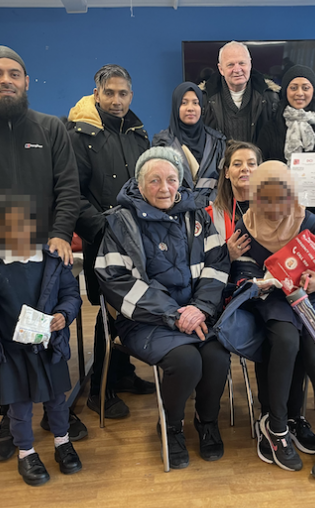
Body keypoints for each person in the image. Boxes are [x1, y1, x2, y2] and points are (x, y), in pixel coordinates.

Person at [0, 45, 86, 463]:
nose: (4, 79)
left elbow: (68, 187)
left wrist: (62, 233)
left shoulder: (51, 129)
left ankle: (55, 414)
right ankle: (10, 416)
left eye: (13, 73)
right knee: (3, 336)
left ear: (26, 81)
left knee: (46, 333)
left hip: (44, 256)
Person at [95, 147, 232, 470]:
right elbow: (116, 282)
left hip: (196, 314)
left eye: (172, 179)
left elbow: (217, 265)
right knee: (186, 361)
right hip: (144, 320)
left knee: (216, 355)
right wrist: (172, 314)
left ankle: (206, 420)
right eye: (154, 181)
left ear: (181, 181)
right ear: (139, 185)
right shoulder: (120, 222)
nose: (165, 188)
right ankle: (171, 426)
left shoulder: (197, 215)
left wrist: (200, 307)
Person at [231, 161, 315, 480]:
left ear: (293, 196)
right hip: (274, 301)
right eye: (263, 199)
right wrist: (262, 281)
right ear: (253, 198)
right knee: (285, 339)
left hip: (314, 300)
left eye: (280, 198)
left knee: (314, 353)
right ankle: (277, 427)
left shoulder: (310, 222)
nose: (272, 207)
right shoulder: (246, 228)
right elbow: (241, 276)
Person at [0, 195, 84, 486]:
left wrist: (63, 315)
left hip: (48, 347)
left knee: (57, 401)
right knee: (19, 407)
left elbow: (71, 296)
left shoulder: (53, 262)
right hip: (9, 353)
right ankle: (26, 452)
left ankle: (62, 441)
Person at [67, 64, 156, 421]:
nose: (116, 100)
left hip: (138, 235)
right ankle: (100, 390)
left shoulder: (139, 133)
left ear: (131, 96)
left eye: (123, 94)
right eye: (109, 93)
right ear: (97, 95)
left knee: (131, 306)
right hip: (103, 236)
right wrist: (102, 228)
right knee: (108, 313)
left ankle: (123, 373)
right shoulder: (79, 135)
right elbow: (71, 194)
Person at [257, 65, 315, 185]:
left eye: (305, 88)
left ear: (313, 90)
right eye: (293, 88)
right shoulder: (271, 126)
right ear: (286, 91)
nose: (299, 93)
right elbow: (261, 165)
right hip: (280, 199)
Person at [153, 82, 226, 202]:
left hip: (211, 211)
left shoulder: (217, 141)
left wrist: (207, 204)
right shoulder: (162, 142)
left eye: (195, 103)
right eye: (184, 103)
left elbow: (223, 182)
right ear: (176, 106)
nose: (190, 108)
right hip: (176, 211)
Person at [200, 41, 279, 143]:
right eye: (230, 65)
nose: (237, 69)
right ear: (221, 69)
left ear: (250, 64)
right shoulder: (203, 99)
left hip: (258, 159)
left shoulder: (270, 97)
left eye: (242, 63)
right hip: (220, 159)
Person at [206, 140, 261, 260]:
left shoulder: (275, 211)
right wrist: (227, 256)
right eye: (237, 164)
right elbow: (200, 263)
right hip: (227, 278)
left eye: (251, 164)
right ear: (226, 172)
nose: (245, 168)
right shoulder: (209, 216)